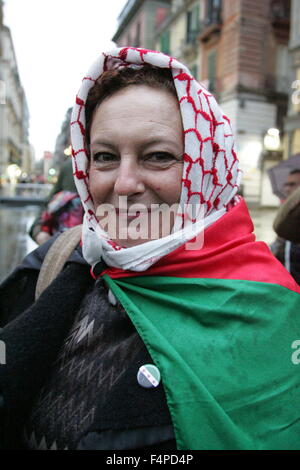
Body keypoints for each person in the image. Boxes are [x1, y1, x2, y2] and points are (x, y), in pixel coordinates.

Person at [0, 47, 300, 451]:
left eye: (158, 157)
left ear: (207, 168)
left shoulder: (272, 305)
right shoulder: (57, 261)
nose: (123, 184)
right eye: (104, 157)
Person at [29, 158, 84, 245]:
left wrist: (38, 231)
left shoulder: (69, 164)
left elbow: (49, 203)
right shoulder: (71, 164)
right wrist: (38, 231)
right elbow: (48, 204)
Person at [271, 169, 300, 284]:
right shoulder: (289, 213)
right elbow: (278, 245)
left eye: (292, 184)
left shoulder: (292, 215)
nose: (287, 188)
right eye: (286, 185)